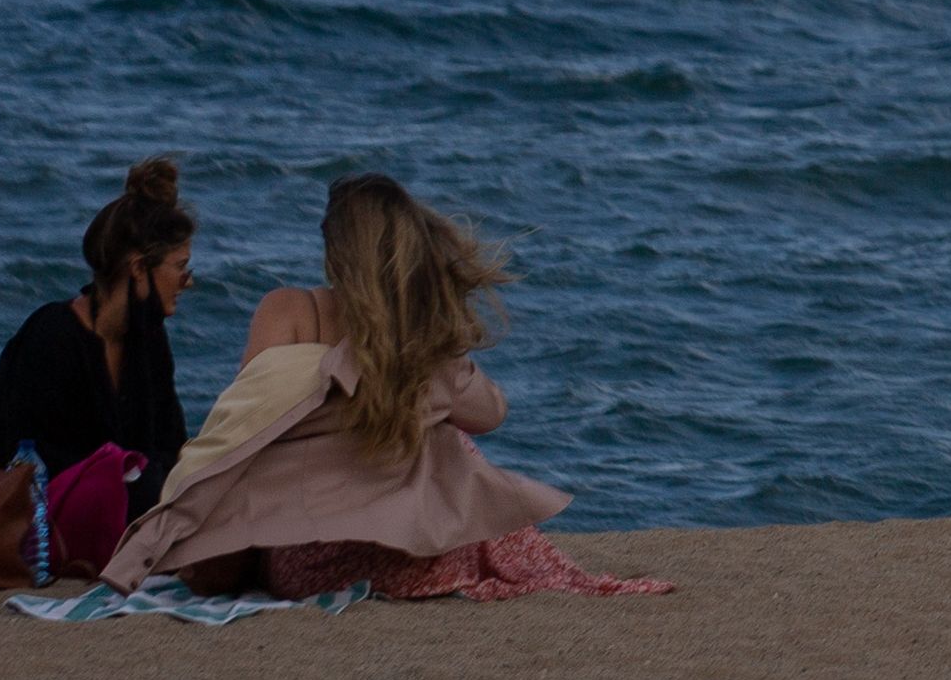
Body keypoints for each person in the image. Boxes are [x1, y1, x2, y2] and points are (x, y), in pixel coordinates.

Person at [100, 173, 664, 602]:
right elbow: (491, 413)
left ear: (334, 252)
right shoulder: (417, 342)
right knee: (452, 445)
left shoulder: (289, 312)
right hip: (421, 555)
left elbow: (243, 432)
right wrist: (436, 348)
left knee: (397, 447)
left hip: (310, 562)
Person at [0, 156, 198, 509]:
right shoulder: (52, 338)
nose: (189, 282)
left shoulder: (149, 339)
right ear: (139, 268)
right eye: (181, 268)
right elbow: (21, 463)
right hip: (42, 527)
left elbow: (171, 446)